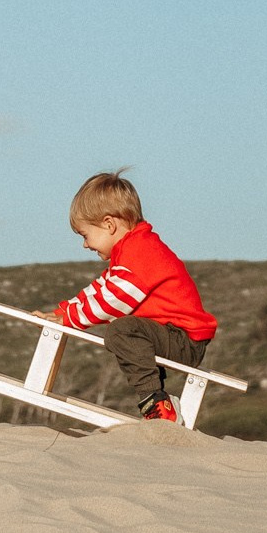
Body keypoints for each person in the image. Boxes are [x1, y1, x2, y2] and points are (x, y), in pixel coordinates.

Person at [48, 171, 218, 421]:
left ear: (109, 224)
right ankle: (160, 402)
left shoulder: (141, 251)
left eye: (86, 235)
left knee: (122, 330)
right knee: (126, 329)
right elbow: (100, 288)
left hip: (184, 340)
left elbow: (113, 301)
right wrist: (63, 313)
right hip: (170, 333)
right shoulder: (130, 251)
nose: (85, 244)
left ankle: (155, 403)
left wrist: (70, 319)